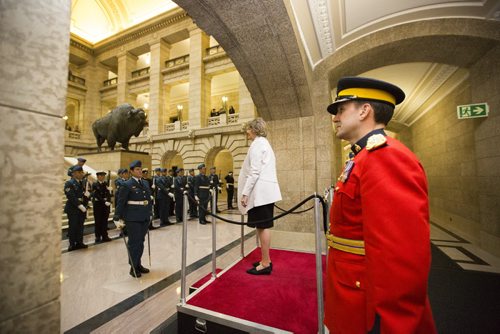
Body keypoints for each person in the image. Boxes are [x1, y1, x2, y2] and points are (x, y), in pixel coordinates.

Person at [323, 76, 437, 333]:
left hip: (367, 304)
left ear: (365, 111)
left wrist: (390, 323)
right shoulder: (363, 157)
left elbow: (400, 257)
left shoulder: (386, 157)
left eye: (341, 110)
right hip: (350, 290)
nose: (335, 117)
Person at [238, 118, 282, 275]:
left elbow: (254, 171)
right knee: (261, 226)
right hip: (264, 192)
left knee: (263, 227)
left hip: (260, 193)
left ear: (255, 129)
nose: (247, 132)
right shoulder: (264, 143)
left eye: (248, 129)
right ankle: (266, 259)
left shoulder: (258, 144)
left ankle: (265, 263)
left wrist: (245, 193)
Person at [113, 160, 152, 278]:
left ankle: (138, 263)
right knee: (134, 243)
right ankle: (133, 267)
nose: (140, 171)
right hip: (132, 217)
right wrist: (116, 217)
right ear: (131, 171)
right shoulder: (127, 184)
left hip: (144, 216)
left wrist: (150, 213)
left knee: (141, 242)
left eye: (140, 169)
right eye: (137, 169)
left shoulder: (145, 183)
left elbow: (148, 200)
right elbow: (121, 202)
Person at [64, 165, 88, 251]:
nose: (81, 174)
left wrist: (87, 197)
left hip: (81, 208)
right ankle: (72, 244)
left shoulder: (82, 183)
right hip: (73, 208)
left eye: (82, 172)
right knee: (73, 226)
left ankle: (79, 242)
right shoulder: (69, 183)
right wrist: (79, 205)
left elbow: (83, 195)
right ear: (74, 174)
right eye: (79, 172)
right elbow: (71, 196)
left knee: (80, 226)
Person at [91, 171, 112, 243]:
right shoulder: (94, 184)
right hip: (98, 205)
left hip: (105, 205)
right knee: (98, 221)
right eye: (101, 175)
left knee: (104, 221)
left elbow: (108, 194)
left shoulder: (106, 184)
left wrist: (109, 200)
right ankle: (97, 236)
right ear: (98, 176)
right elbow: (96, 195)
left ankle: (105, 236)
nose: (103, 177)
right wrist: (104, 201)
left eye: (103, 176)